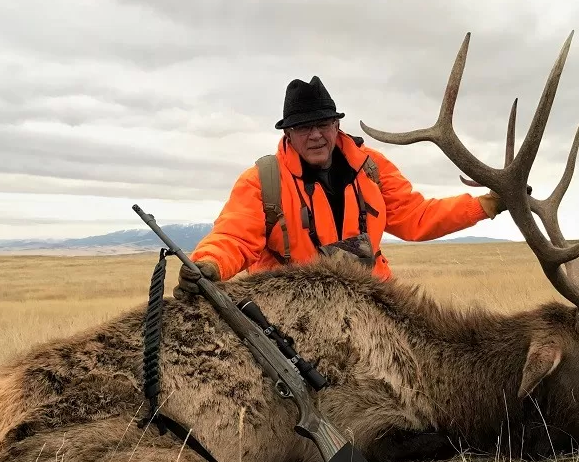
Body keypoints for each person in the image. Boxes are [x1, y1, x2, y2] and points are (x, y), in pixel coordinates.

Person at [174, 75, 507, 299]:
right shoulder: (263, 180)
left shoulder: (372, 167)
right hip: (295, 309)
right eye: (304, 127)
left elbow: (416, 217)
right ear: (288, 134)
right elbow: (234, 236)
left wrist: (483, 206)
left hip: (373, 301)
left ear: (336, 125)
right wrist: (210, 264)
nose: (315, 135)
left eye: (322, 124)